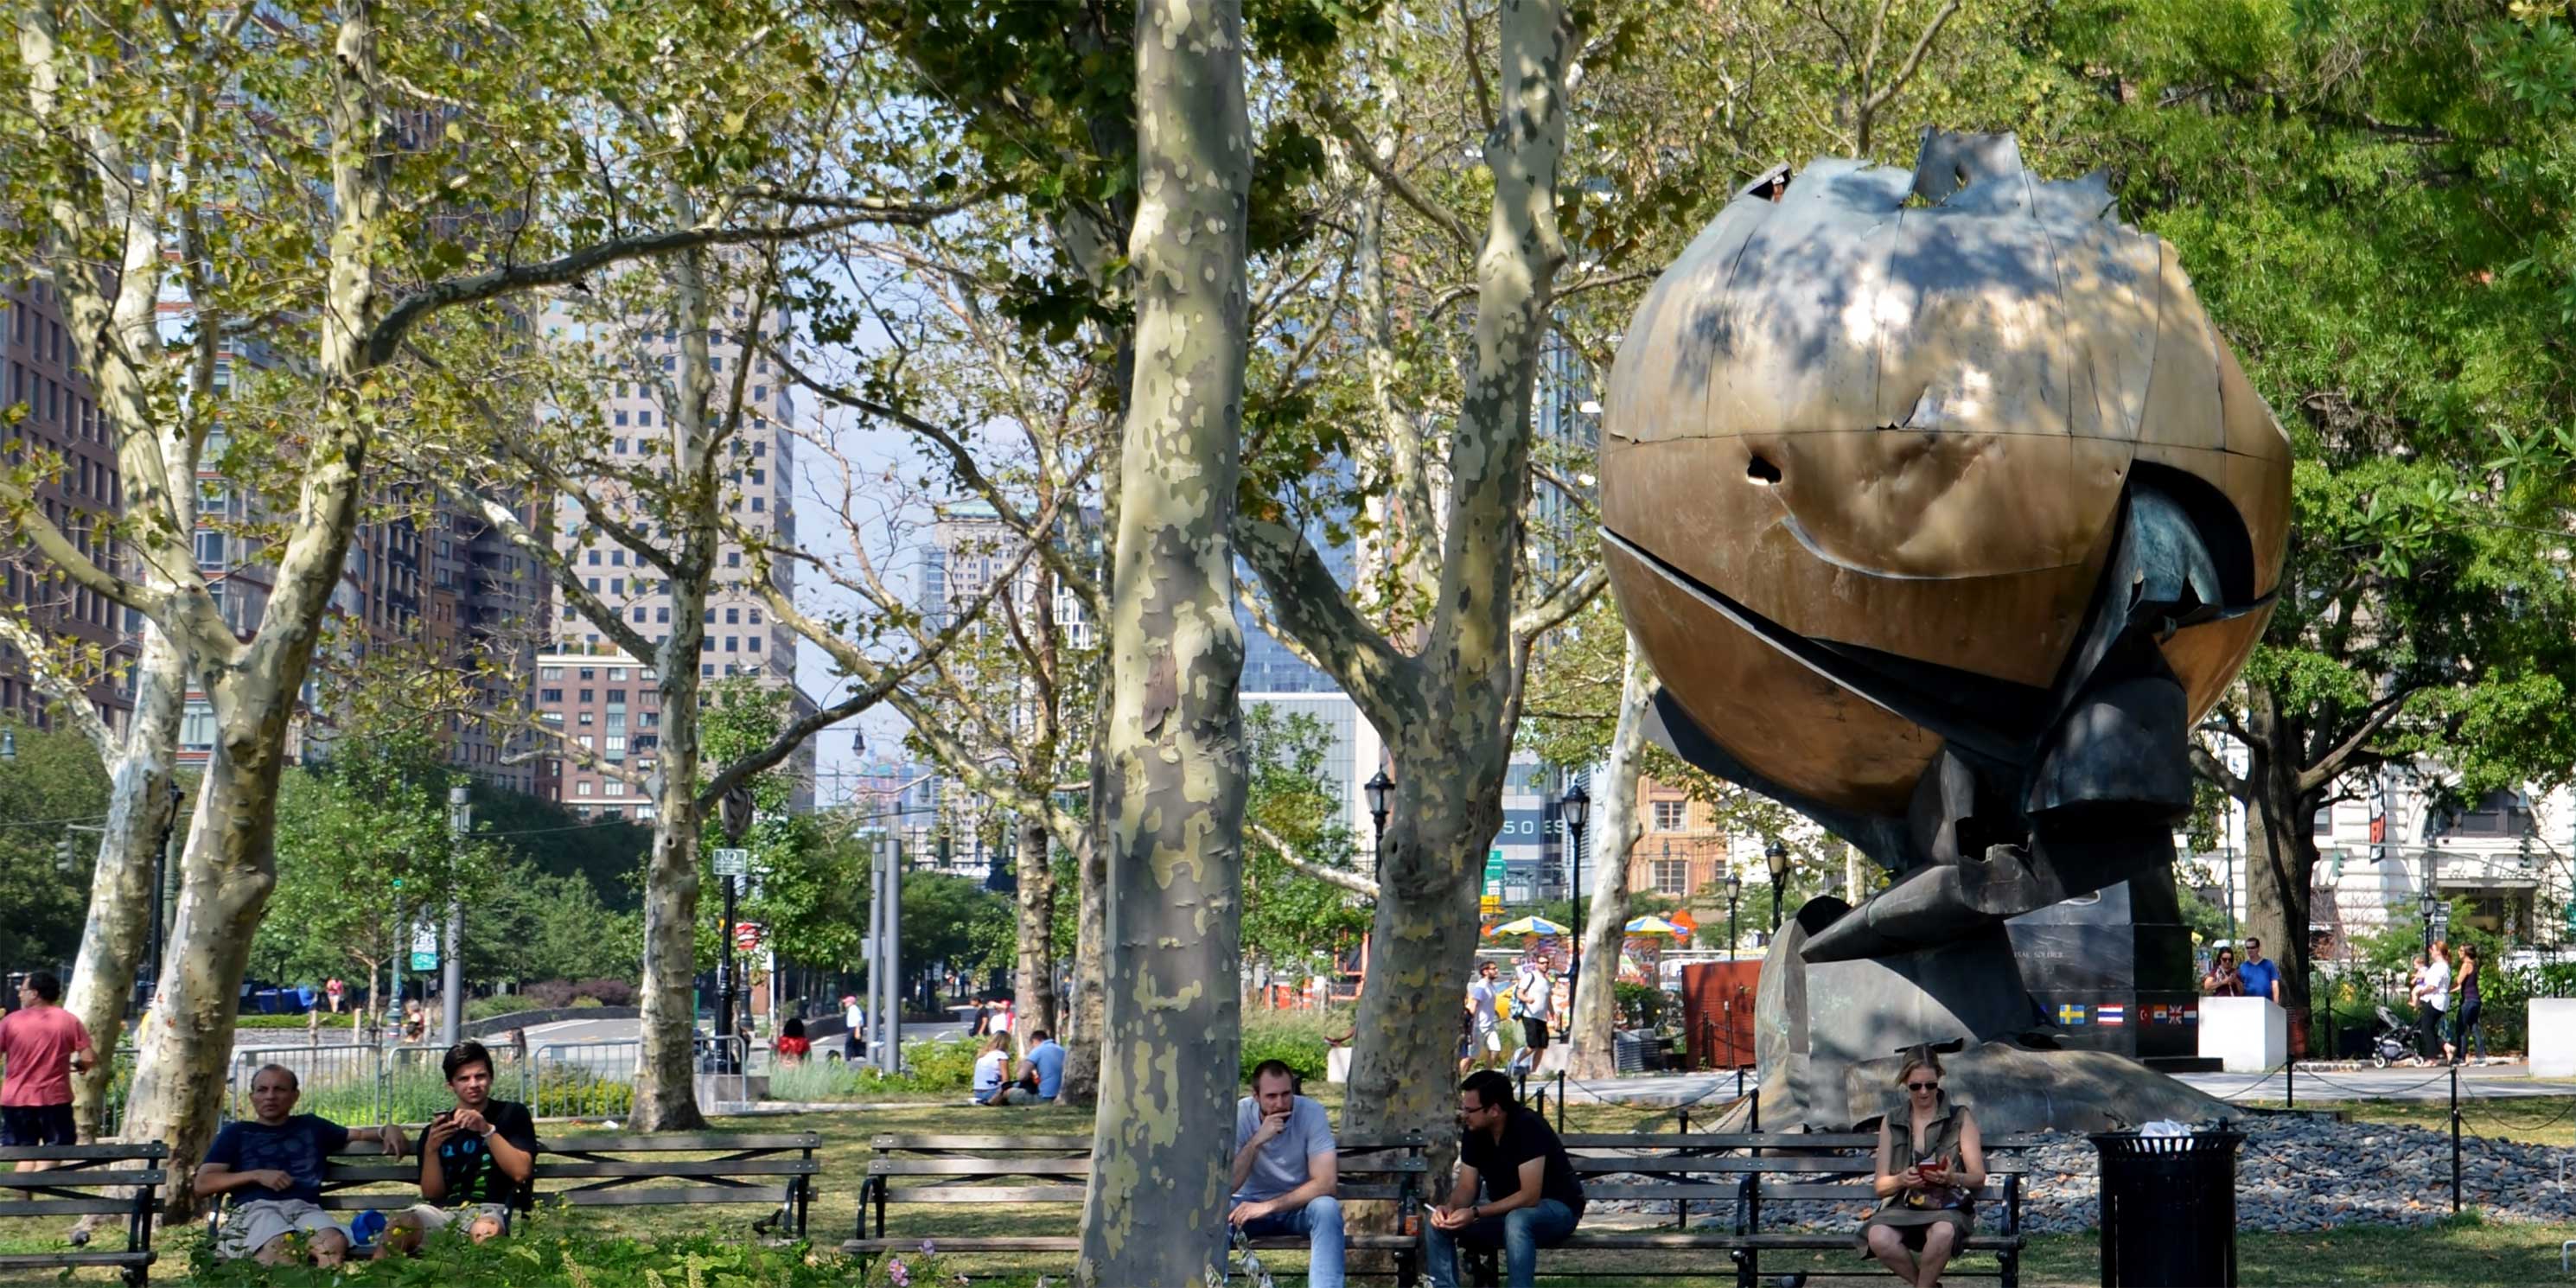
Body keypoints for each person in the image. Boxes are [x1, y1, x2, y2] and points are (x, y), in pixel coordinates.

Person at [198, 1064, 406, 1266]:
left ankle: (327, 1282)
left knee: (332, 1243)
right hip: (256, 1209)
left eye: (279, 1089)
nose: (270, 1096)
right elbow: (203, 1183)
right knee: (282, 1248)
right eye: (262, 1090)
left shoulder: (311, 1126)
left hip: (304, 1208)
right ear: (252, 1097)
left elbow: (359, 1134)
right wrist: (256, 1175)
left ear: (295, 1096)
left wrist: (388, 1129)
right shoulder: (236, 1133)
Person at [1424, 1069, 1584, 1288]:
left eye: (1470, 1109)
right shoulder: (1474, 1131)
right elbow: (1466, 1188)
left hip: (1557, 1211)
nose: (1464, 1114)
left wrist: (1475, 1212)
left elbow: (1530, 1197)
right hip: (1506, 1215)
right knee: (1437, 1224)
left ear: (1495, 1110)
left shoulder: (1528, 1126)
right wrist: (1449, 1209)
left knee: (1518, 1220)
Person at [389, 1041, 539, 1250]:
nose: (473, 1084)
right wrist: (431, 1150)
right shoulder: (436, 1130)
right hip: (441, 1212)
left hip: (489, 1211)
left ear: (491, 1077)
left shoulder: (511, 1114)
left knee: (485, 1230)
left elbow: (521, 1172)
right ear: (450, 1085)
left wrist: (487, 1130)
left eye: (480, 1076)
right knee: (399, 1225)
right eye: (463, 1079)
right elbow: (432, 1194)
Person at [1860, 1047, 1986, 1288]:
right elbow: (1880, 1186)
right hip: (1903, 1204)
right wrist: (1900, 1181)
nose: (1924, 1092)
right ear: (1905, 1083)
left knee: (1942, 1232)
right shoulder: (1893, 1120)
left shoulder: (1959, 1117)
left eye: (1930, 1084)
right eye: (1915, 1086)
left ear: (1939, 1079)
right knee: (1878, 1236)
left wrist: (1952, 1177)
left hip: (1946, 1203)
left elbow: (1978, 1177)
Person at [1229, 1060, 1344, 1288]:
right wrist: (1256, 1142)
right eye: (1271, 1096)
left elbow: (1326, 1183)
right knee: (1214, 1218)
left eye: (1286, 1093)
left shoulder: (1311, 1113)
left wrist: (1269, 1206)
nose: (1280, 1103)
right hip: (1246, 1208)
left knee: (1327, 1208)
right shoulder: (1240, 1115)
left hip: (1296, 1208)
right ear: (1256, 1096)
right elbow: (1229, 1184)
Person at [1, 972, 93, 1170]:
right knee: (57, 1149)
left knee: (25, 1155)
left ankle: (24, 1192)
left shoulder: (10, 1022)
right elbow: (88, 1058)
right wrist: (79, 1067)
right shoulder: (69, 1020)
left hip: (16, 1099)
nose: (19, 995)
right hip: (55, 1098)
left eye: (23, 990)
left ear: (35, 993)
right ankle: (40, 1179)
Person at [1511, 957, 1555, 1072]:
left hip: (1542, 1018)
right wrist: (1527, 999)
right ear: (1537, 964)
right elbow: (1519, 993)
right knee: (1532, 1045)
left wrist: (1553, 1015)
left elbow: (1548, 1000)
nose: (1545, 965)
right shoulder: (1530, 976)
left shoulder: (1547, 981)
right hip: (1530, 1015)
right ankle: (1515, 1062)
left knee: (1542, 1046)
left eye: (1547, 963)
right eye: (1542, 963)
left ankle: (1533, 1071)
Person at [2412, 940, 2452, 1066]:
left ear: (2438, 952)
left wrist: (2420, 993)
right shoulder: (2438, 966)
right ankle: (2447, 1047)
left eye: (2433, 949)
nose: (2431, 951)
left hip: (2436, 1000)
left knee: (2426, 1028)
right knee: (2428, 1028)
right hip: (2436, 1000)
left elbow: (2432, 986)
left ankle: (2431, 1057)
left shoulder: (2441, 967)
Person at [1000, 1028, 1067, 1104]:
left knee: (1007, 1092)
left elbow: (1021, 1076)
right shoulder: (1062, 1049)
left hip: (1046, 1097)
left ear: (1034, 1041)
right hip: (1062, 1095)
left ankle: (990, 1103)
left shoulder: (1037, 1051)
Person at [2445, 944, 2482, 1066]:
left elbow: (2458, 982)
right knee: (2474, 1028)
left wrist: (2444, 990)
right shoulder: (2474, 964)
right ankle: (2481, 1057)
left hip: (2469, 1000)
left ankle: (2461, 1057)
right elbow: (2461, 986)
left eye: (2461, 950)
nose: (2458, 952)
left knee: (2460, 1028)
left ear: (2466, 952)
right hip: (2476, 999)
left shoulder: (2466, 965)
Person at [1465, 961, 1505, 1072]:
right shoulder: (1481, 986)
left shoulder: (1490, 985)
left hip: (1489, 1026)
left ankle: (1485, 1077)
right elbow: (1474, 1004)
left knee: (1496, 1050)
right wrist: (1469, 1024)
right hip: (1478, 1027)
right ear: (1485, 971)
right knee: (1472, 1057)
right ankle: (1460, 1077)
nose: (1497, 971)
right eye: (1494, 969)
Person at [2235, 936, 2283, 1005]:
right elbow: (2241, 989)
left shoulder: (2269, 964)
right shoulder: (2243, 967)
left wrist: (2276, 1003)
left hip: (2267, 1003)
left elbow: (2275, 985)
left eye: (2252, 948)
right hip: (2248, 1004)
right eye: (2247, 948)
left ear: (2258, 949)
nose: (2250, 950)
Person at [970, 1033, 1011, 1104]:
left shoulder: (983, 1055)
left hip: (977, 1093)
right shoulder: (1001, 1055)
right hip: (992, 1092)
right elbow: (1006, 1080)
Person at [844, 994, 867, 1062]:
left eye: (846, 1002)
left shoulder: (854, 1009)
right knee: (856, 1044)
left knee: (848, 1043)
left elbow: (858, 1020)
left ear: (851, 1002)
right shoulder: (852, 1009)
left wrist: (857, 1031)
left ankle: (848, 1058)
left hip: (854, 1028)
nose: (845, 1003)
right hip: (854, 1028)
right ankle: (864, 1054)